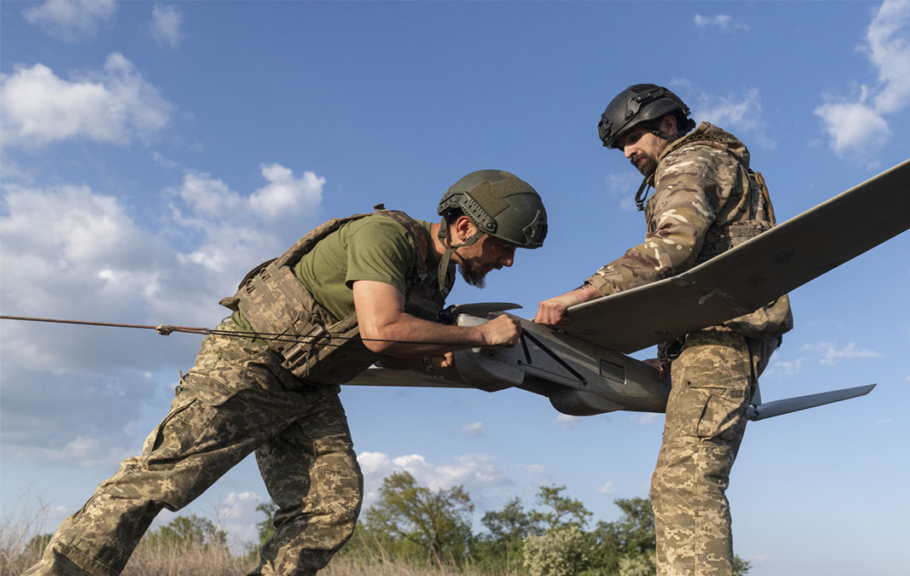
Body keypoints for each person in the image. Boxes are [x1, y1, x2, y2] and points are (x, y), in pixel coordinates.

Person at [26, 170, 548, 576]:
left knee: (330, 506)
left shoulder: (436, 281)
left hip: (309, 385)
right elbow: (382, 330)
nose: (506, 263)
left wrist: (433, 354)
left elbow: (383, 346)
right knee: (160, 479)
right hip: (249, 365)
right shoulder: (383, 237)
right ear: (464, 227)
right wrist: (482, 335)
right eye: (505, 248)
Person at [535, 85, 792, 575]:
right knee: (684, 481)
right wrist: (672, 358)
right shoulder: (713, 162)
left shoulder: (690, 161)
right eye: (622, 145)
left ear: (667, 125)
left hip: (719, 339)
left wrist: (585, 293)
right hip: (710, 339)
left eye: (633, 138)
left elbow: (674, 244)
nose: (628, 152)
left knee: (687, 482)